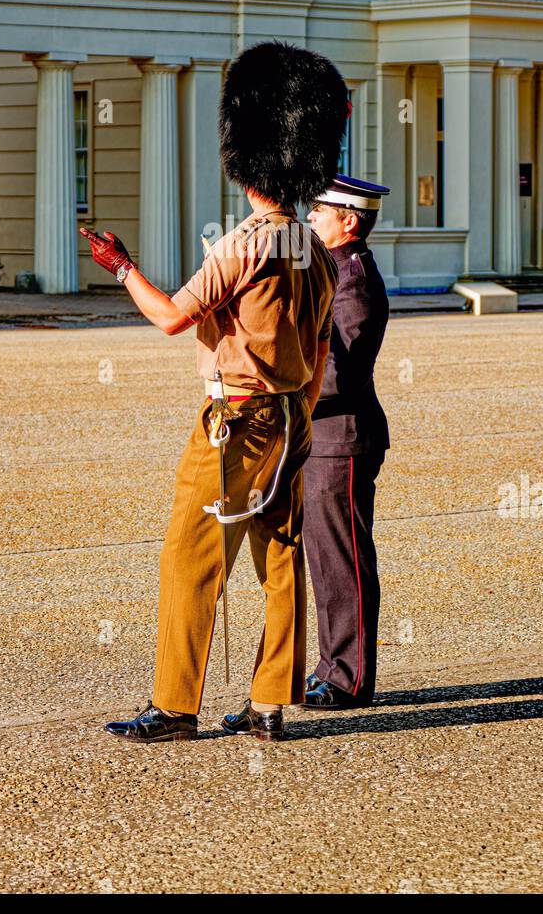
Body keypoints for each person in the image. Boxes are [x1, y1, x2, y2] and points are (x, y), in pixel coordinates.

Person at [86, 41, 348, 743]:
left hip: (234, 418)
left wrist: (121, 268)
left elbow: (172, 316)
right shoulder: (316, 249)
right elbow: (322, 346)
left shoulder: (243, 244)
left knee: (191, 555)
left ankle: (174, 704)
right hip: (294, 413)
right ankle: (268, 702)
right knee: (280, 553)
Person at [301, 175, 390, 710]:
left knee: (343, 563)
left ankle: (347, 679)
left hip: (342, 441)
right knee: (323, 560)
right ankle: (329, 668)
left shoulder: (351, 281)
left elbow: (340, 374)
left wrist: (282, 389)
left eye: (319, 210)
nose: (310, 217)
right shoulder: (328, 272)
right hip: (322, 440)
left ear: (348, 221)